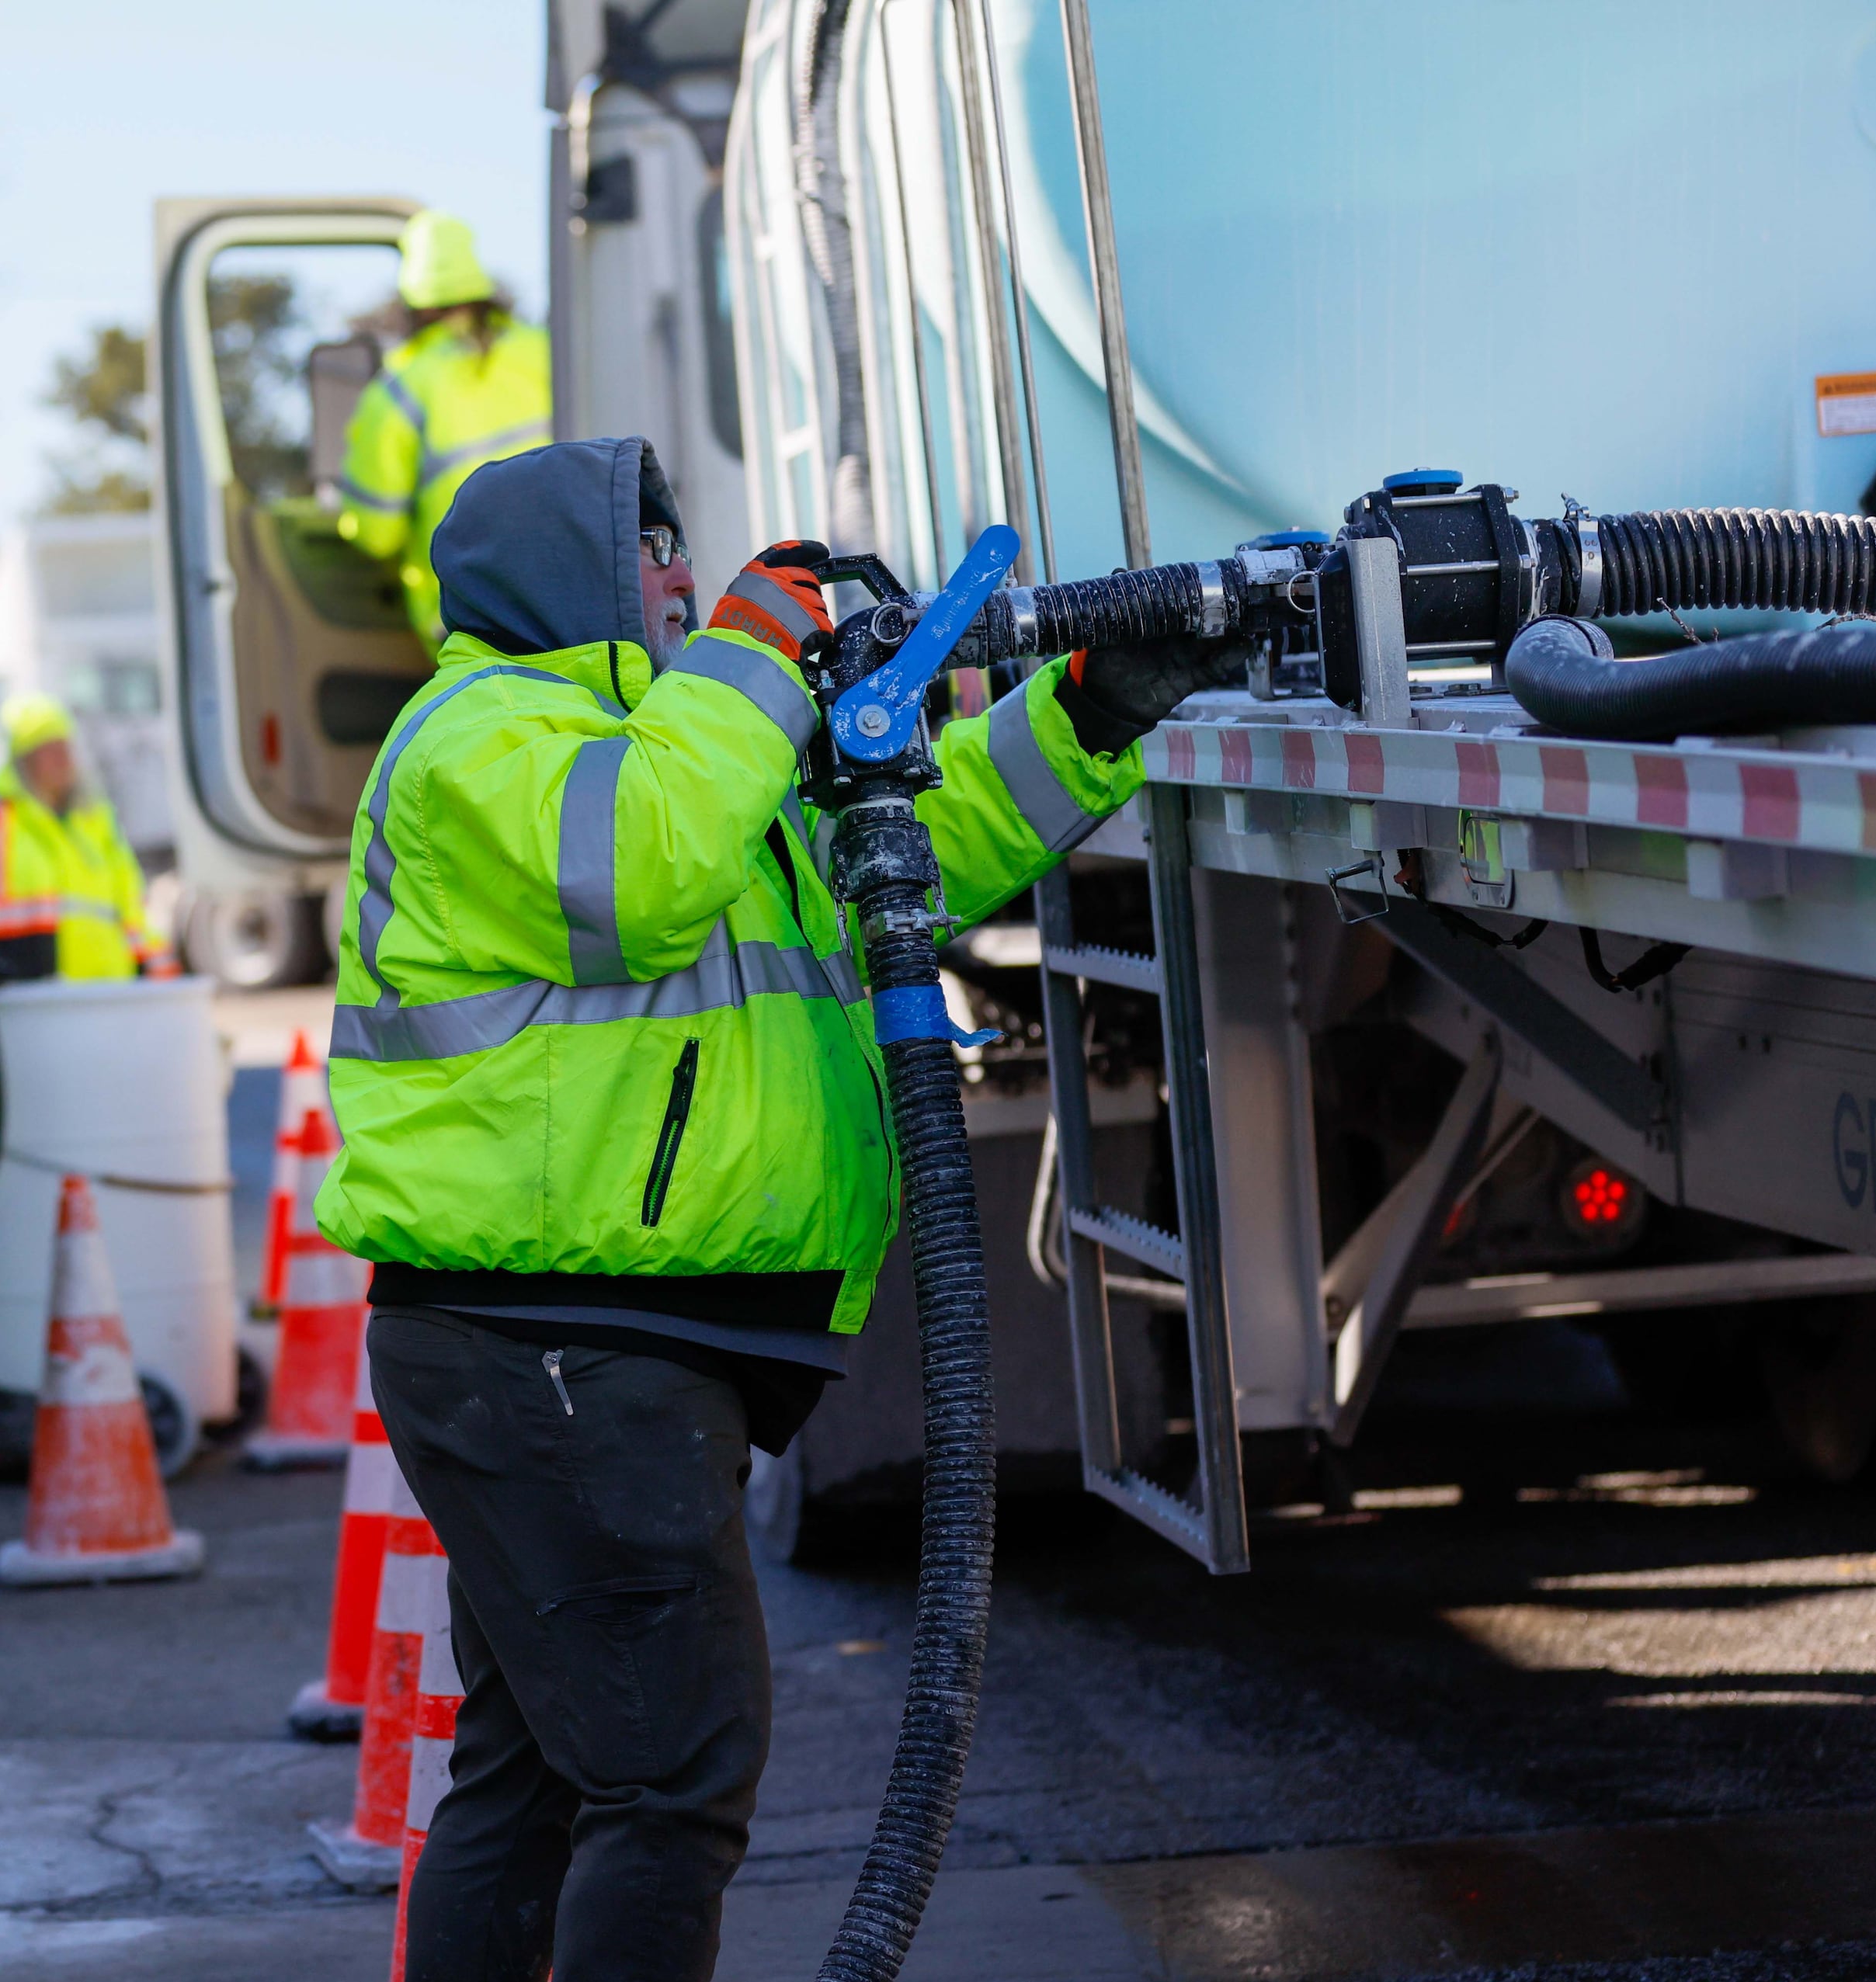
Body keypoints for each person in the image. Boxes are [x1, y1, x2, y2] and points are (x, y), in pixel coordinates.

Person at [318, 437, 1241, 1980]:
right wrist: (753, 650)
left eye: (691, 552)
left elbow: (904, 860)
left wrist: (1087, 714)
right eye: (657, 551)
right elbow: (646, 864)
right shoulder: (488, 737)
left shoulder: (673, 743)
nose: (689, 577)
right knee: (668, 1776)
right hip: (555, 1343)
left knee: (550, 1763)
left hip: (576, 1346)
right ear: (574, 575)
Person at [336, 209, 553, 648]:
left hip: (470, 622)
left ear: (415, 302)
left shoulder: (400, 392)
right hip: (574, 598)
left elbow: (376, 534)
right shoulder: (546, 350)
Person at [0, 690, 172, 981]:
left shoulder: (95, 822)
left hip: (105, 996)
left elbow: (131, 905)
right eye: (47, 750)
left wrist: (156, 968)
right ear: (22, 760)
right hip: (26, 1007)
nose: (62, 759)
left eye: (65, 747)